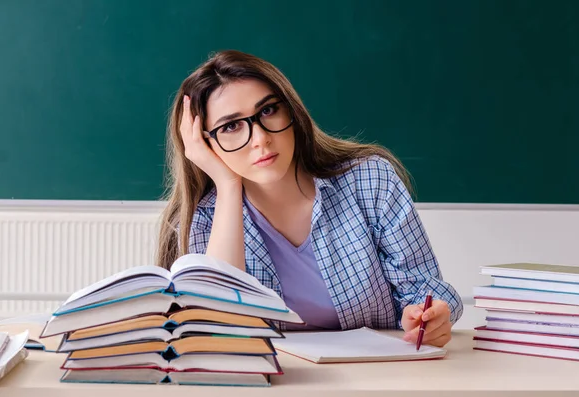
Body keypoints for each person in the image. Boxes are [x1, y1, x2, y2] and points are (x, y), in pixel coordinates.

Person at [157, 50, 463, 347]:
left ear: (292, 110)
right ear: (204, 143)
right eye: (231, 126)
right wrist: (227, 185)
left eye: (268, 110)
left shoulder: (370, 181)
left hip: (376, 375)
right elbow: (218, 331)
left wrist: (429, 316)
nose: (261, 138)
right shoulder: (202, 217)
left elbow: (426, 290)